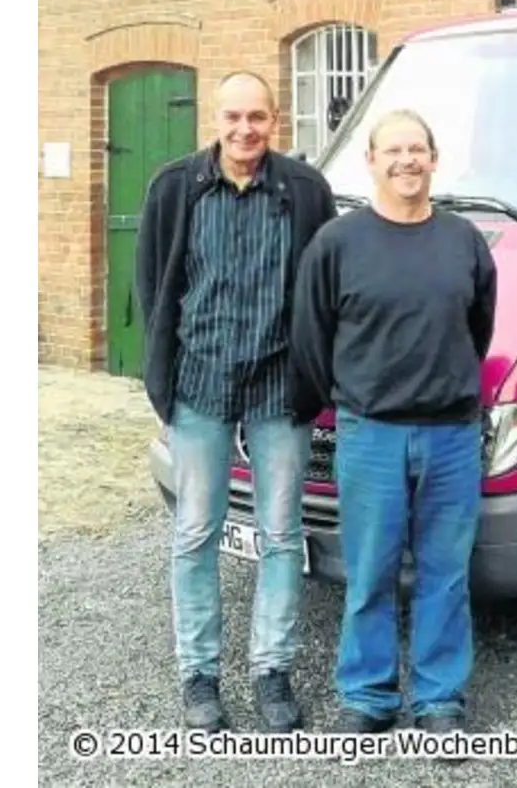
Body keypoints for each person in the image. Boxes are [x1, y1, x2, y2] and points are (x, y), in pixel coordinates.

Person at [134, 70, 337, 733]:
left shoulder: (305, 191)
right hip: (200, 382)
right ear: (214, 120)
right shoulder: (174, 189)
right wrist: (159, 378)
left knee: (281, 535)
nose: (244, 129)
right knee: (195, 533)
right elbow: (153, 284)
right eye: (232, 117)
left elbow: (325, 288)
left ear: (273, 120)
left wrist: (321, 370)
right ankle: (200, 676)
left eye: (257, 117)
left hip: (280, 384)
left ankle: (271, 672)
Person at [290, 109, 498, 741]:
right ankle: (369, 696)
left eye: (417, 150)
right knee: (370, 571)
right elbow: (310, 336)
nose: (406, 161)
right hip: (371, 435)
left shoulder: (464, 240)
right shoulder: (338, 243)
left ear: (434, 160)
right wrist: (355, 397)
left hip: (450, 436)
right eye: (393, 151)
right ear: (371, 162)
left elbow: (478, 327)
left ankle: (439, 702)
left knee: (445, 573)